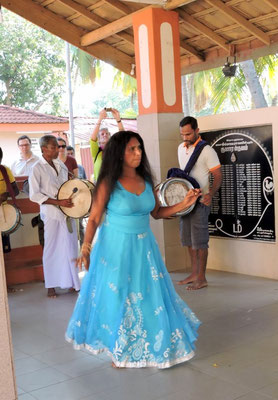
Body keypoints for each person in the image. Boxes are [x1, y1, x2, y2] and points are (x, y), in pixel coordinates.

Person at [66, 130, 201, 368]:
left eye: (139, 148)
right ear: (119, 153)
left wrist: (184, 203)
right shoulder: (109, 182)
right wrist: (85, 248)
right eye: (132, 149)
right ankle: (119, 349)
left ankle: (151, 344)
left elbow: (157, 213)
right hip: (115, 248)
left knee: (147, 295)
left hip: (144, 247)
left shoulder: (147, 181)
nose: (138, 153)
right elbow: (95, 218)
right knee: (119, 296)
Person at [29, 136, 80, 298]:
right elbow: (34, 195)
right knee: (52, 248)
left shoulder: (61, 165)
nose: (58, 150)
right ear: (44, 149)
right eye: (53, 147)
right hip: (51, 213)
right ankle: (50, 285)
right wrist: (58, 202)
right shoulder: (37, 168)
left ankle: (72, 282)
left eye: (58, 147)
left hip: (67, 211)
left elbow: (67, 184)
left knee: (70, 246)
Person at [177, 116, 222, 290]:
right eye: (182, 134)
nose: (185, 138)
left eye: (188, 134)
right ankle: (195, 273)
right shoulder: (180, 148)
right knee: (187, 239)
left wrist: (211, 193)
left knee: (200, 241)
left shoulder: (207, 151)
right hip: (186, 202)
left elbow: (218, 175)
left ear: (197, 130)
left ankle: (202, 278)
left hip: (201, 202)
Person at [1, 147, 20, 292]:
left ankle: (4, 286)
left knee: (4, 253)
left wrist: (6, 194)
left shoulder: (5, 170)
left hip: (5, 217)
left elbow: (16, 190)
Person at [90, 108, 124, 181]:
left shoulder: (115, 150)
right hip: (99, 184)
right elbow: (92, 139)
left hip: (114, 183)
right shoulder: (96, 151)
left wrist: (118, 119)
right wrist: (100, 119)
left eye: (107, 133)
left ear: (110, 136)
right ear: (98, 139)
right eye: (102, 134)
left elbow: (123, 136)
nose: (105, 135)